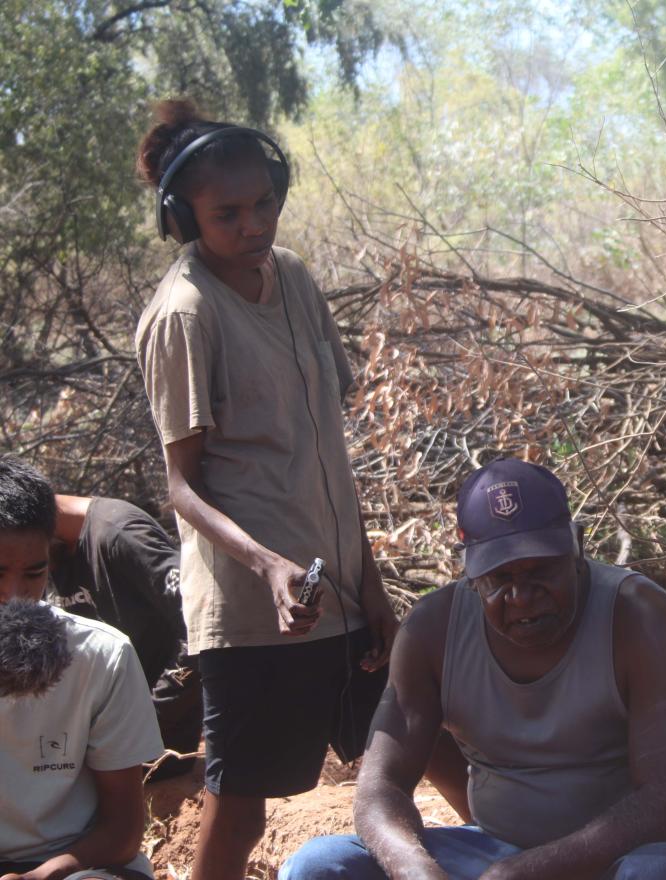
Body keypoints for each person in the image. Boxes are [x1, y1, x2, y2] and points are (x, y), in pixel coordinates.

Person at [134, 98, 401, 880]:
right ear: (183, 218)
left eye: (265, 205)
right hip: (257, 614)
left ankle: (513, 861)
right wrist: (269, 567)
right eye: (228, 214)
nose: (254, 225)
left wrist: (370, 585)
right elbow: (181, 488)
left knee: (416, 740)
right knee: (242, 802)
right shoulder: (184, 314)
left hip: (341, 593)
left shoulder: (292, 279)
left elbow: (329, 451)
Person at [281, 459, 666, 880]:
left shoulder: (636, 615)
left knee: (658, 871)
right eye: (498, 579)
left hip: (620, 859)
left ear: (576, 547)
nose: (522, 597)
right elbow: (381, 787)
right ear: (470, 571)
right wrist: (415, 869)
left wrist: (527, 872)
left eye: (541, 571)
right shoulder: (433, 630)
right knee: (319, 866)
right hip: (492, 853)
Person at [0, 455, 164, 880]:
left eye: (34, 574)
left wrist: (48, 873)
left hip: (79, 867)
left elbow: (124, 830)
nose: (15, 596)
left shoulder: (102, 655)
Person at [48, 494, 202, 780]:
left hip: (152, 746)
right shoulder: (54, 552)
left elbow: (197, 626)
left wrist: (146, 716)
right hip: (92, 740)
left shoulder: (121, 534)